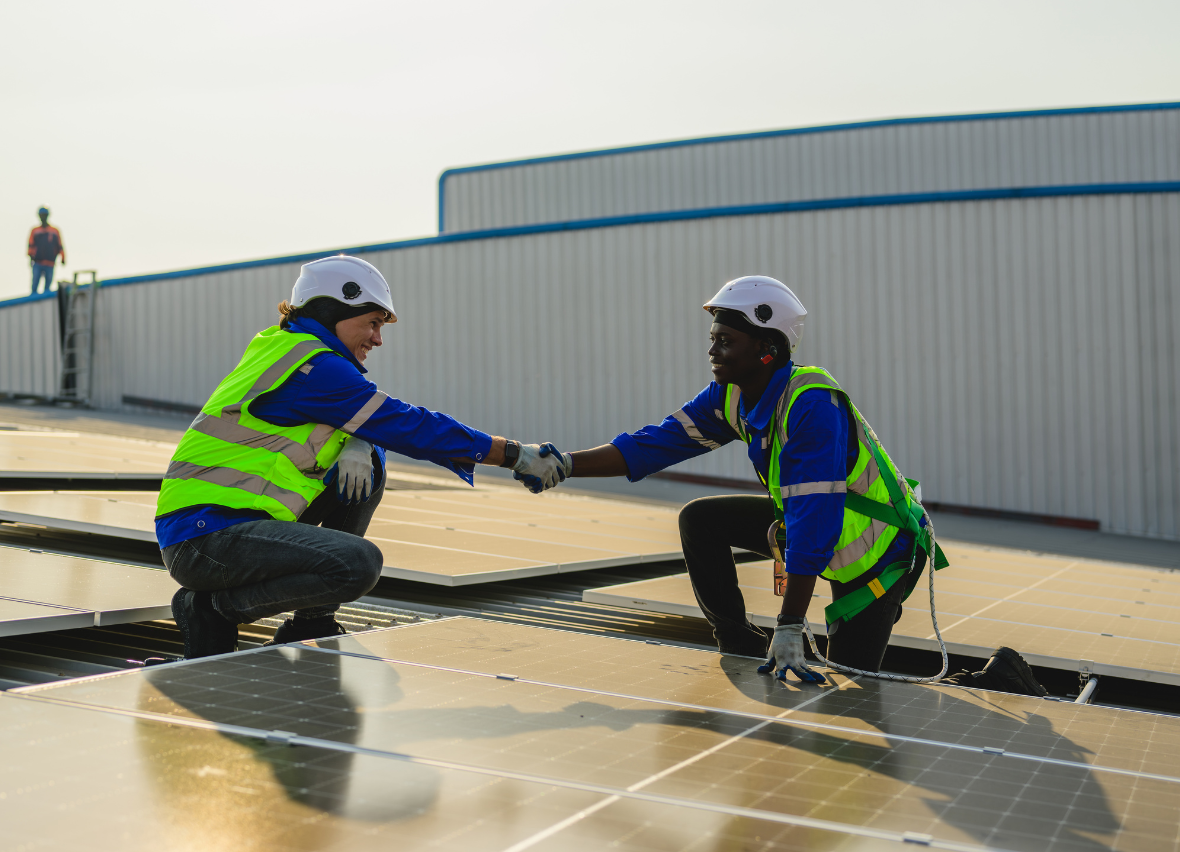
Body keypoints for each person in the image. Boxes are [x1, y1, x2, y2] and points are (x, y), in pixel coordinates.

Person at [528, 275, 1046, 695]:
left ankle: (999, 680)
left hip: (872, 552)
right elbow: (650, 445)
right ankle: (738, 640)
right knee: (700, 521)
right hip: (811, 528)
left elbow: (816, 520)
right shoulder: (728, 396)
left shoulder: (811, 403)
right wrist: (567, 464)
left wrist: (791, 623)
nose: (714, 350)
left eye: (726, 341)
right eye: (712, 339)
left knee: (851, 692)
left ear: (768, 349)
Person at [156, 255, 569, 658]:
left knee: (369, 464)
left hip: (231, 526)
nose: (377, 338)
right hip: (205, 539)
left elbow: (371, 422)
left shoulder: (288, 349)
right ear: (333, 311)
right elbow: (410, 425)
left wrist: (361, 440)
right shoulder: (314, 367)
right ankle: (210, 611)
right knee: (356, 564)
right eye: (372, 323)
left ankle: (311, 623)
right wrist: (514, 455)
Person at [27, 206, 65, 294]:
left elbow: (60, 246)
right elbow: (31, 245)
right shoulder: (35, 231)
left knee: (47, 287)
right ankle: (33, 302)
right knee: (34, 285)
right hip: (38, 262)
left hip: (50, 263)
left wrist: (63, 258)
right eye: (41, 215)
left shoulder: (54, 231)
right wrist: (30, 257)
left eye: (44, 215)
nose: (43, 217)